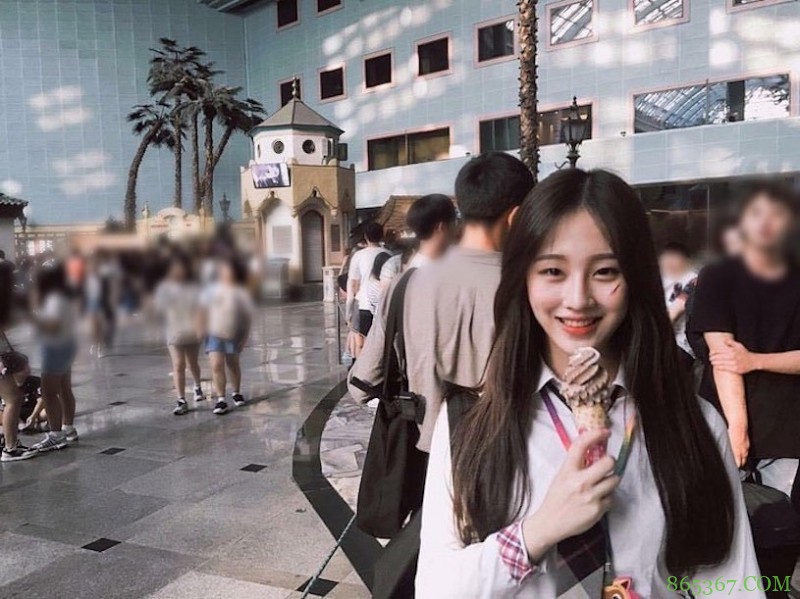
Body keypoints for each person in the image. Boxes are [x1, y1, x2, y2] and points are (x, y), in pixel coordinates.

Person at [417, 168, 761, 598]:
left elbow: (732, 585)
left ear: (635, 278)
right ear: (523, 277)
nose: (578, 299)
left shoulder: (695, 424)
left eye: (605, 272)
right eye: (553, 271)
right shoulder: (470, 424)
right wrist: (536, 533)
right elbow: (434, 588)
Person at [350, 152, 534, 452]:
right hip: (499, 453)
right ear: (517, 216)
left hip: (423, 453)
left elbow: (362, 383)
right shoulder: (528, 287)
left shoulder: (404, 285)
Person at [688, 182, 800, 491]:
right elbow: (723, 356)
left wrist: (754, 360)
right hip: (725, 421)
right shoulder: (718, 275)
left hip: (784, 431)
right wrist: (738, 429)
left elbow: (729, 358)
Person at [29, 264, 79, 453]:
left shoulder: (54, 299)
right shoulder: (63, 295)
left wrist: (32, 319)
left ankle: (56, 435)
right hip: (66, 344)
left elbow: (52, 326)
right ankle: (68, 427)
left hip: (55, 347)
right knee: (65, 389)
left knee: (48, 392)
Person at [199, 257, 253, 416]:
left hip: (233, 333)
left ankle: (236, 392)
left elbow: (247, 316)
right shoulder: (209, 291)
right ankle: (221, 399)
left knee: (233, 364)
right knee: (216, 365)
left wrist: (245, 337)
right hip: (213, 333)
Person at [154, 255, 204, 415]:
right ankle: (181, 399)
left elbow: (199, 308)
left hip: (191, 330)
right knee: (178, 364)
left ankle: (197, 386)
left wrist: (200, 327)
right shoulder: (164, 289)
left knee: (192, 363)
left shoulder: (193, 288)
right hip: (173, 330)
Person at [379, 194, 458, 293]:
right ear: (442, 227)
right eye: (455, 222)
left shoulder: (413, 269)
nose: (457, 229)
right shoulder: (437, 274)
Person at [346, 223, 385, 355]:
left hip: (363, 303)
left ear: (366, 237)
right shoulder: (389, 254)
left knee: (361, 341)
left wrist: (349, 311)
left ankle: (361, 364)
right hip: (383, 303)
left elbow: (353, 284)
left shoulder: (359, 255)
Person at [658, 242, 698, 371]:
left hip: (680, 344)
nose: (669, 261)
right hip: (659, 338)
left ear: (686, 260)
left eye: (674, 257)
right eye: (666, 256)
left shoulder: (693, 280)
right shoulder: (658, 280)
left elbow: (674, 313)